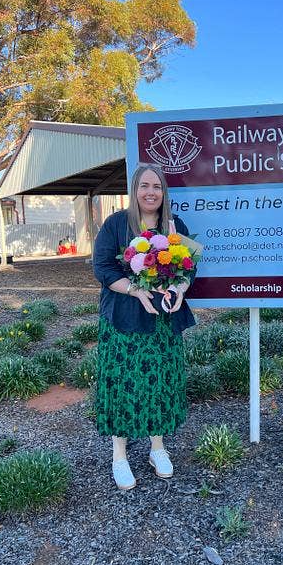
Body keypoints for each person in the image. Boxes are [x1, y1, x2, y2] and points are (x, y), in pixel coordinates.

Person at [93, 163, 196, 490]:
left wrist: (179, 289)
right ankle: (119, 455)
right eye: (144, 186)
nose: (151, 192)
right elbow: (103, 267)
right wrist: (136, 290)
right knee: (124, 382)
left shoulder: (174, 226)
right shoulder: (116, 225)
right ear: (134, 190)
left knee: (160, 382)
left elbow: (190, 266)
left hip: (162, 320)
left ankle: (157, 448)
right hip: (124, 320)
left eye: (157, 186)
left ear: (163, 192)